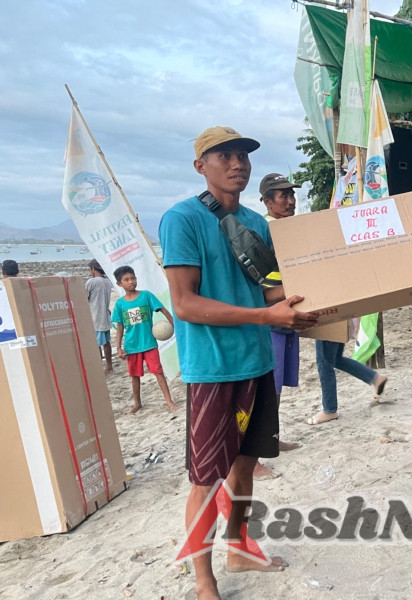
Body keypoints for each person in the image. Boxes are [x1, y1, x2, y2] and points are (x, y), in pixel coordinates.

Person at [159, 126, 317, 599]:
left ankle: (238, 549)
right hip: (212, 370)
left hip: (257, 363)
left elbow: (271, 290)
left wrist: (302, 311)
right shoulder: (181, 220)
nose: (237, 164)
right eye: (223, 156)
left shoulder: (258, 222)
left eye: (243, 156)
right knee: (206, 480)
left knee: (244, 469)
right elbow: (184, 304)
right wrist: (265, 315)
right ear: (200, 166)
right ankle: (204, 581)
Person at [253, 172, 303, 480]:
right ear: (266, 201)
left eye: (291, 194)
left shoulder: (289, 229)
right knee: (264, 389)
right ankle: (253, 459)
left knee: (277, 386)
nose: (289, 200)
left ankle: (271, 440)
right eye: (281, 195)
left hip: (287, 314)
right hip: (270, 313)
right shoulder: (265, 229)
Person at [111, 265, 176, 414]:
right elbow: (120, 327)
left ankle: (169, 401)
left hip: (149, 343)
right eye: (126, 280)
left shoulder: (146, 295)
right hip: (132, 345)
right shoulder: (120, 304)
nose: (131, 282)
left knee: (158, 372)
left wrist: (174, 324)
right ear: (119, 284)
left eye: (133, 278)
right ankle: (137, 403)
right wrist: (119, 347)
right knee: (134, 376)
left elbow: (163, 310)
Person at [307, 339, 389, 425]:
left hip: (327, 328)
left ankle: (329, 410)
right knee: (335, 359)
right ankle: (375, 378)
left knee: (324, 363)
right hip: (337, 327)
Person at [86, 258, 115, 373]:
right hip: (105, 316)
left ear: (93, 269)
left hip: (95, 317)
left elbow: (84, 297)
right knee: (106, 342)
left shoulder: (91, 282)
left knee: (96, 344)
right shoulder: (107, 282)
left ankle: (99, 367)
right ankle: (109, 365)